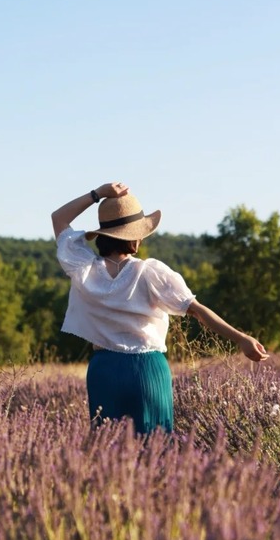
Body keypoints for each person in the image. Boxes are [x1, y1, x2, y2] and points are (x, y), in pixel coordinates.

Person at [51, 182, 268, 435]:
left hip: (104, 370)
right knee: (155, 453)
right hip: (147, 370)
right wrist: (241, 339)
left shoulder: (83, 269)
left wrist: (98, 194)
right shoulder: (150, 272)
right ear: (133, 239)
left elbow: (59, 218)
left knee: (108, 454)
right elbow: (196, 309)